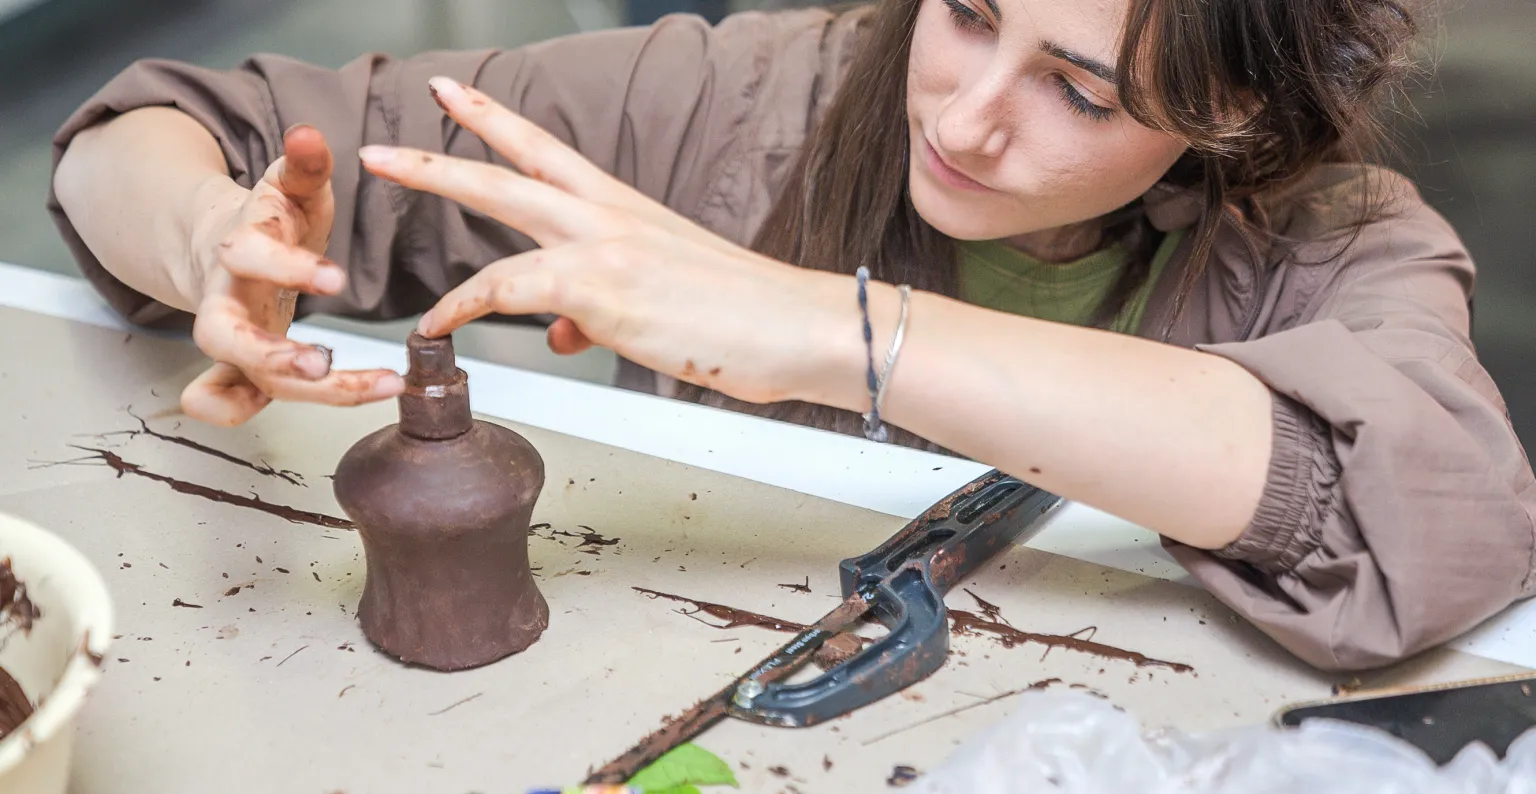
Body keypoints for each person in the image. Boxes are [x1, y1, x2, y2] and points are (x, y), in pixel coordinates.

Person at [48, 0, 1536, 672]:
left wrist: (834, 331)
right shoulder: (750, 99)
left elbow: (1423, 528)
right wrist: (213, 238)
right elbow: (162, 129)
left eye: (1080, 93)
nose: (960, 117)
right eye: (964, 10)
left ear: (1238, 122)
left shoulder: (1347, 241)